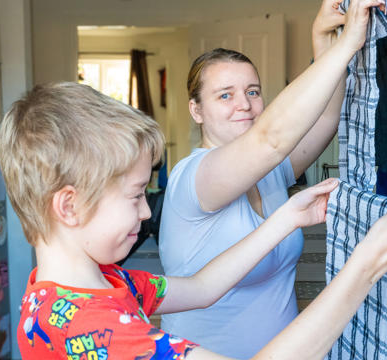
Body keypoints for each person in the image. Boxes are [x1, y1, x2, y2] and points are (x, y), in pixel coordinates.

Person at [1, 80, 387, 360]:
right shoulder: (87, 325)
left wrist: (285, 218)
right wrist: (370, 262)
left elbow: (201, 288)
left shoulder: (92, 283)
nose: (145, 210)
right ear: (69, 206)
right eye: (136, 195)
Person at [158, 1, 362, 356]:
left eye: (253, 91)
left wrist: (323, 41)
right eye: (225, 95)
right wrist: (348, 45)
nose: (245, 104)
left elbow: (327, 120)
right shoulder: (194, 176)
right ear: (196, 110)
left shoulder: (270, 171)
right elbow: (269, 140)